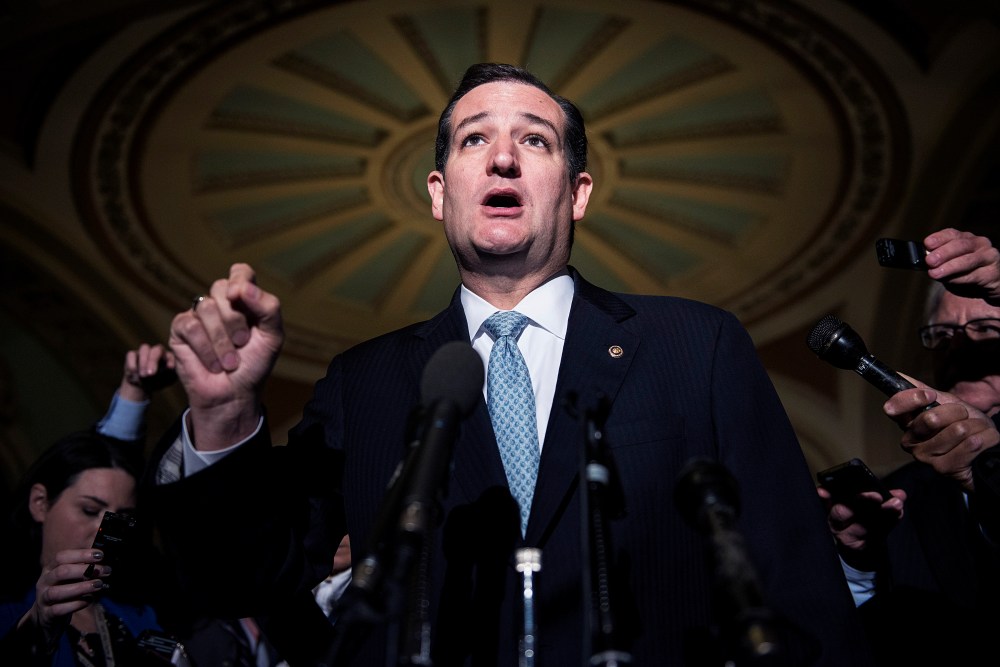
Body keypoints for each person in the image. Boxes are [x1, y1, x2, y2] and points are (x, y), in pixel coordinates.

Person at [147, 62, 874, 666]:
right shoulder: (363, 381)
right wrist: (223, 417)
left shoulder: (696, 345)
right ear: (439, 194)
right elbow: (241, 588)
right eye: (474, 139)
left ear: (577, 192)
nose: (502, 157)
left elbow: (798, 588)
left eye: (534, 139)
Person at [820, 228, 1000, 666]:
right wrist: (856, 564)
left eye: (984, 328)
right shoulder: (896, 501)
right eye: (942, 333)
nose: (958, 347)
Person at [0, 344, 181, 665]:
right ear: (40, 503)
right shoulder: (8, 612)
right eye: (88, 510)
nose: (104, 530)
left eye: (121, 517)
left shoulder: (141, 616)